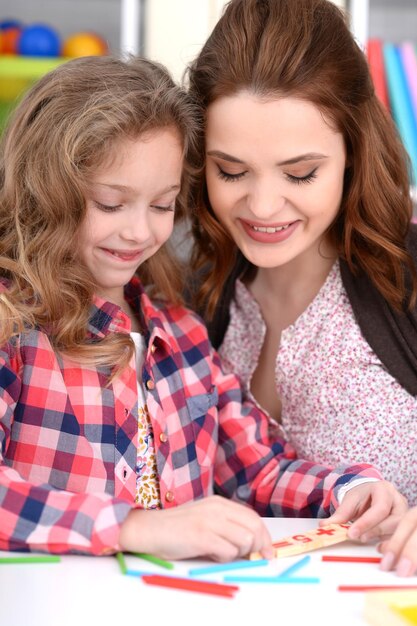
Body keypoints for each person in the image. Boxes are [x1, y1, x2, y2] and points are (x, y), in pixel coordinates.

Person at [0, 54, 406, 562]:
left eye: (162, 204)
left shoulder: (182, 333)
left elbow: (258, 470)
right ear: (46, 190)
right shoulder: (13, 329)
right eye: (109, 203)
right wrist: (134, 529)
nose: (139, 232)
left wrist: (348, 492)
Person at [187, 0, 417, 527]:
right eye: (231, 171)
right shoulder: (190, 298)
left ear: (352, 153)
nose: (263, 207)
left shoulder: (408, 278)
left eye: (300, 174)